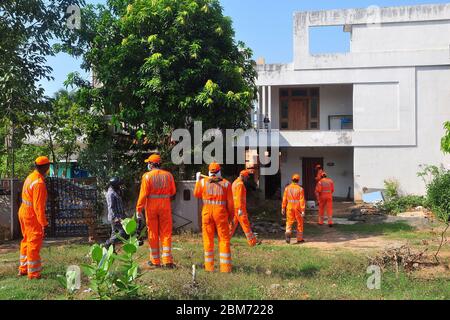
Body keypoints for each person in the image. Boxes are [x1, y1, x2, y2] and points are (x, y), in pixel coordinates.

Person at [136, 154, 176, 268]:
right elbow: (173, 191)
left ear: (152, 164)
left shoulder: (147, 177)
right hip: (165, 206)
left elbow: (143, 195)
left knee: (152, 233)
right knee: (166, 232)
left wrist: (138, 209)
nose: (148, 165)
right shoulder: (168, 176)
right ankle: (167, 260)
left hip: (151, 208)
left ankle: (155, 261)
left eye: (148, 163)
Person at [194, 162, 234, 273]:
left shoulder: (202, 182)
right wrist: (230, 217)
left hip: (207, 214)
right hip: (221, 214)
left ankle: (209, 267)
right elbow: (230, 204)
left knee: (208, 239)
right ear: (219, 171)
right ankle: (225, 268)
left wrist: (197, 180)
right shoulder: (226, 184)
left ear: (209, 172)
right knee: (224, 239)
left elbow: (196, 194)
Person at [18, 156, 51, 279]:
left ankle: (24, 268)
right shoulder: (39, 183)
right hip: (31, 215)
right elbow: (39, 207)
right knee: (33, 243)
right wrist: (44, 223)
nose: (48, 168)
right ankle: (34, 273)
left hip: (23, 212)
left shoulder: (31, 177)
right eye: (48, 166)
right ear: (45, 167)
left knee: (26, 240)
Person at [230, 170, 260, 246]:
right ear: (242, 176)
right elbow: (239, 197)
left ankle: (225, 240)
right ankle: (252, 242)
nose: (247, 179)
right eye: (246, 177)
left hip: (234, 207)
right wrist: (240, 209)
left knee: (232, 225)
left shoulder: (234, 183)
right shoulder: (240, 184)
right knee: (246, 225)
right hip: (240, 208)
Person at [104, 177, 128, 251]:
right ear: (114, 185)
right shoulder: (110, 193)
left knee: (114, 233)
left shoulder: (117, 191)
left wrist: (124, 215)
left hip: (121, 216)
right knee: (122, 232)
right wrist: (116, 218)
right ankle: (107, 243)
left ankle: (111, 250)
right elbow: (111, 207)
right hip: (115, 217)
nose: (120, 186)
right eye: (118, 184)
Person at [282, 174, 306, 244]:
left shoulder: (287, 188)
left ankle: (288, 233)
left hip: (289, 207)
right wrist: (303, 211)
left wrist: (283, 207)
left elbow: (284, 199)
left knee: (289, 222)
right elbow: (302, 200)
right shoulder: (300, 189)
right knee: (299, 223)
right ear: (298, 180)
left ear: (292, 179)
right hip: (298, 209)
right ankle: (299, 239)